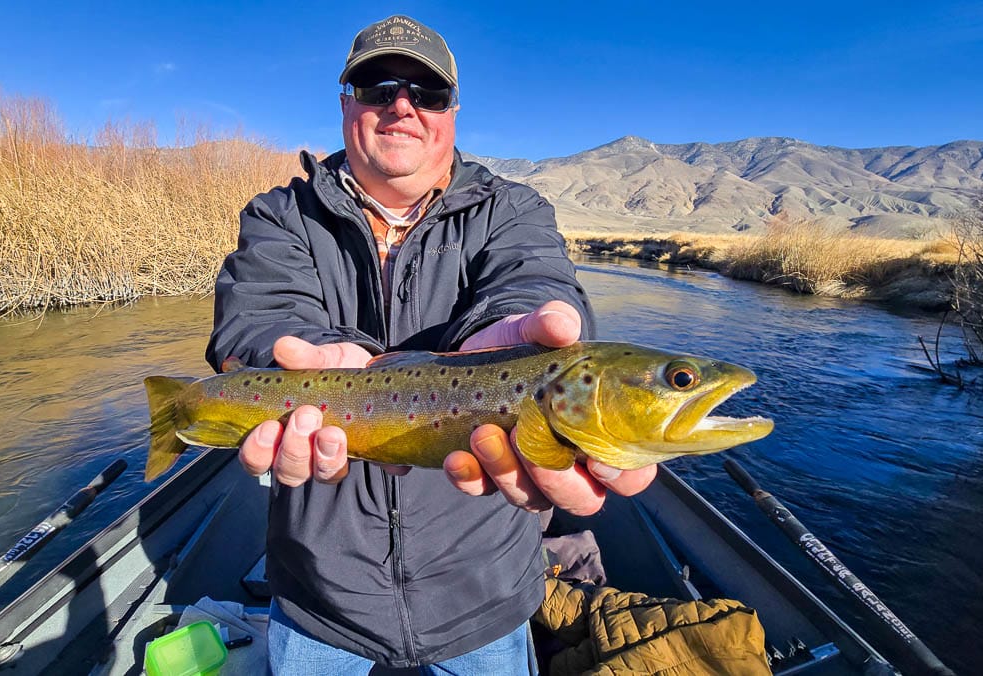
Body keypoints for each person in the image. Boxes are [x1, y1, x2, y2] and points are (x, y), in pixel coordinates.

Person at [205, 14, 656, 673]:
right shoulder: (279, 215)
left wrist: (508, 344)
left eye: (428, 93)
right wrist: (305, 357)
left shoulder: (515, 211)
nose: (401, 107)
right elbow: (258, 317)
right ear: (345, 104)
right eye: (376, 88)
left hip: (484, 599)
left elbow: (530, 282)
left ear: (453, 111)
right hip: (319, 598)